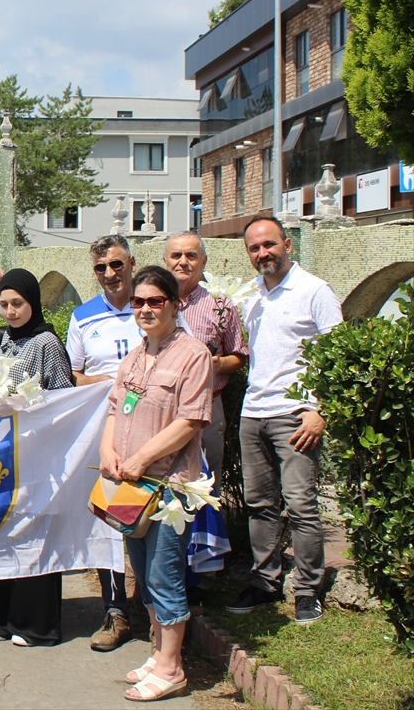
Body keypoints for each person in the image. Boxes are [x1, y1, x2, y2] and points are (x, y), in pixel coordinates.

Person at [100, 265, 212, 701]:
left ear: (175, 304)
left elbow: (191, 419)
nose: (145, 309)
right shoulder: (136, 354)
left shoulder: (193, 354)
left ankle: (172, 668)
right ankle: (158, 651)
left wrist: (143, 457)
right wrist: (108, 453)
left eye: (155, 301)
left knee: (165, 575)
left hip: (168, 488)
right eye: (139, 302)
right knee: (143, 573)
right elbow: (114, 408)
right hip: (129, 487)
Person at [225, 217, 342, 625]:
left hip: (296, 415)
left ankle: (307, 589)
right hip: (253, 412)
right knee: (260, 505)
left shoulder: (314, 291)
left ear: (287, 245)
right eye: (255, 248)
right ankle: (264, 581)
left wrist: (319, 409)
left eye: (269, 245)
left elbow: (339, 355)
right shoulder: (251, 296)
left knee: (301, 505)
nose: (263, 254)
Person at [0, 268, 74, 648]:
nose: (11, 311)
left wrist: (31, 407)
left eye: (17, 303)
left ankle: (35, 623)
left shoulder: (48, 342)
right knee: (3, 529)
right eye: (3, 304)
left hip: (38, 452)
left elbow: (66, 398)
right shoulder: (1, 338)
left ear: (32, 302)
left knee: (35, 533)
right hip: (5, 451)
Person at [65, 233, 139, 652]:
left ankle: (159, 604)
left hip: (151, 427)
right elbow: (74, 375)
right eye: (100, 268)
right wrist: (111, 383)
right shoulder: (82, 316)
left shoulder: (152, 303)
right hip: (105, 429)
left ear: (131, 263)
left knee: (153, 514)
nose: (110, 274)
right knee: (112, 516)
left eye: (116, 264)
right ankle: (116, 611)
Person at [164, 232, 248, 487]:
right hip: (163, 409)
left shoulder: (220, 305)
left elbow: (239, 356)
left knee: (207, 485)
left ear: (203, 261)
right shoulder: (153, 302)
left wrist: (217, 364)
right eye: (176, 255)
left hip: (208, 410)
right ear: (166, 261)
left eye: (191, 255)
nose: (183, 262)